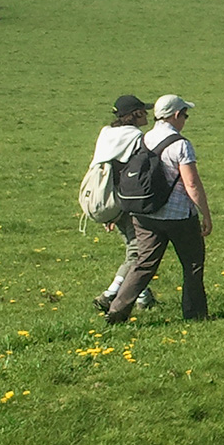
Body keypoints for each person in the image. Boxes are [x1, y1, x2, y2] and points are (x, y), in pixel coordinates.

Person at [106, 94, 212, 324]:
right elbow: (191, 183)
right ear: (175, 115)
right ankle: (195, 314)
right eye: (185, 114)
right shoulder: (181, 144)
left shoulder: (141, 139)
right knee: (192, 264)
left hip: (144, 212)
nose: (185, 119)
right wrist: (205, 213)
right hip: (178, 216)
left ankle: (117, 310)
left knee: (143, 264)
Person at [91, 95, 159, 313]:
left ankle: (143, 296)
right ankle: (111, 294)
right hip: (128, 200)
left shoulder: (106, 134)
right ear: (136, 113)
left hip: (105, 199)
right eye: (143, 111)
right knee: (138, 253)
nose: (147, 115)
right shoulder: (137, 138)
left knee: (135, 248)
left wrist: (108, 210)